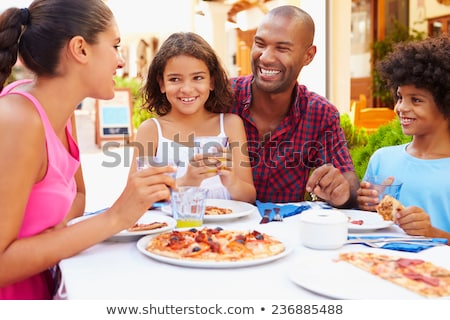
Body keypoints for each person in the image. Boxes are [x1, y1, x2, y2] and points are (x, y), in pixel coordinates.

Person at [0, 0, 175, 300]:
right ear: (80, 49)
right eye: (115, 45)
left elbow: (79, 197)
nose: (120, 62)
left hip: (54, 286)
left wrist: (49, 239)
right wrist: (117, 216)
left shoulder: (61, 113)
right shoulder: (17, 121)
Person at [230, 5, 359, 207]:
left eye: (282, 48)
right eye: (260, 44)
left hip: (285, 232)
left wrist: (342, 189)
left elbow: (347, 180)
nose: (265, 57)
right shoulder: (221, 98)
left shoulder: (320, 113)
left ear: (308, 56)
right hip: (216, 231)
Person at [131, 32, 256, 203]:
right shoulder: (151, 130)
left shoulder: (230, 125)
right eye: (175, 79)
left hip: (228, 227)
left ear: (211, 81)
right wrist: (186, 181)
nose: (187, 89)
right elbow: (134, 197)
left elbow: (249, 197)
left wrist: (232, 181)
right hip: (172, 227)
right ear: (162, 84)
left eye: (197, 78)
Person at [357, 35, 450, 243]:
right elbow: (367, 223)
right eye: (400, 97)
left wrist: (434, 234)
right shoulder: (382, 159)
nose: (401, 108)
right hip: (379, 266)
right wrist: (365, 205)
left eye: (416, 100)